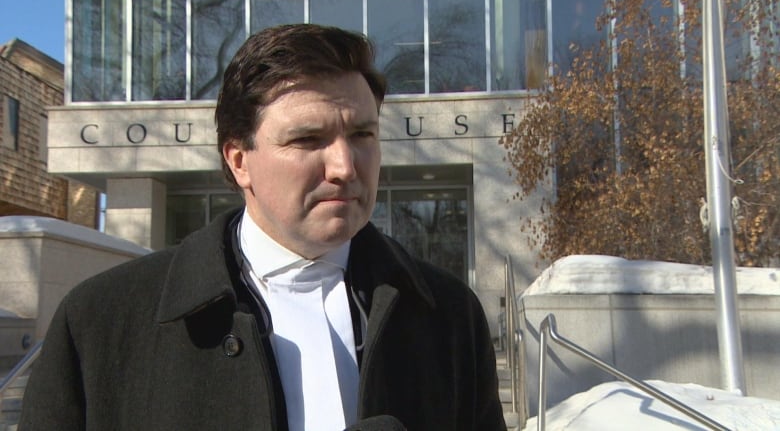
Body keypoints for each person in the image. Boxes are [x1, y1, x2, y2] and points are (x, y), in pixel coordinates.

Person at [19, 24, 505, 431]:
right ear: (239, 161)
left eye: (362, 135)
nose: (344, 165)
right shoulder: (101, 321)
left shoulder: (449, 316)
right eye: (307, 138)